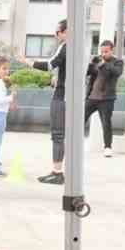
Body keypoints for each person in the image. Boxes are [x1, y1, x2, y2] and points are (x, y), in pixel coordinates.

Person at [36, 20, 69, 184]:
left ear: (66, 31)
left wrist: (29, 62)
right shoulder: (81, 48)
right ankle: (58, 171)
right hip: (72, 95)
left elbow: (50, 65)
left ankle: (57, 173)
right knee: (65, 135)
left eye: (58, 32)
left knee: (58, 134)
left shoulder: (66, 46)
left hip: (62, 96)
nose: (56, 35)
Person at [85, 39, 124, 158]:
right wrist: (91, 64)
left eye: (106, 51)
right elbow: (87, 72)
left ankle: (108, 147)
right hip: (92, 97)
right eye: (102, 51)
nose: (103, 54)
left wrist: (104, 64)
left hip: (106, 99)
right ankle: (73, 141)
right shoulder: (97, 60)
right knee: (80, 118)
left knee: (106, 123)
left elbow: (117, 72)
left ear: (111, 51)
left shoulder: (117, 62)